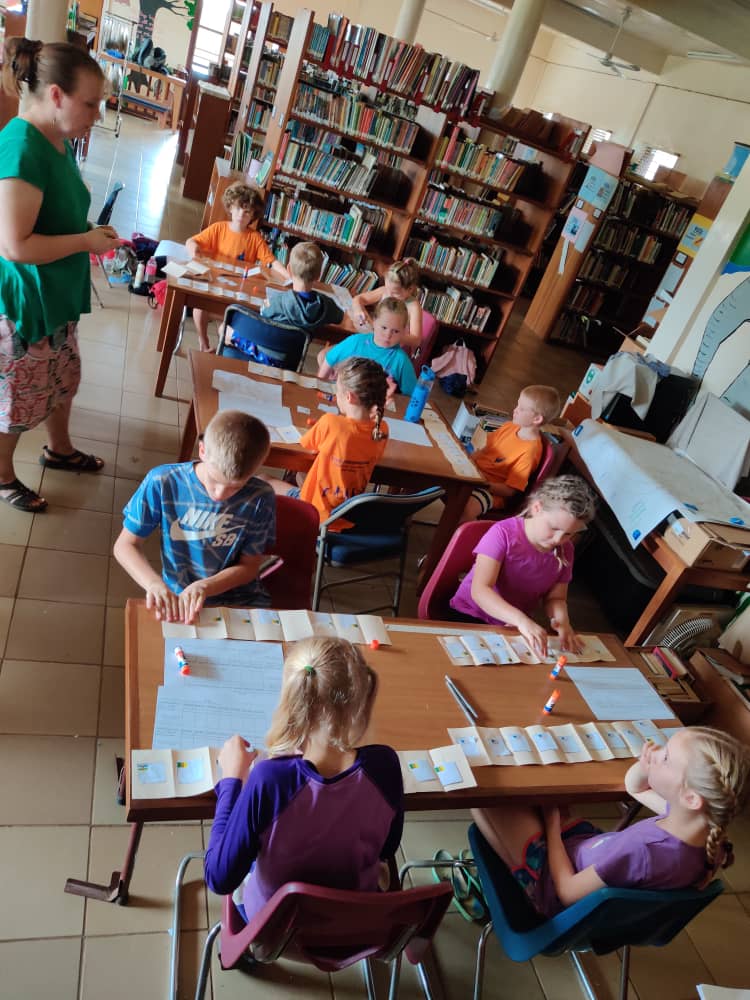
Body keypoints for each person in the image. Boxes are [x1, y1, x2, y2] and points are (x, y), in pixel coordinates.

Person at [0, 38, 121, 513]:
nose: (97, 114)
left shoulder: (59, 138)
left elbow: (55, 211)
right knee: (18, 394)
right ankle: (1, 474)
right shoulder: (22, 146)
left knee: (62, 377)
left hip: (55, 293)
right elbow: (15, 246)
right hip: (26, 302)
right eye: (90, 103)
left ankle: (59, 450)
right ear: (55, 95)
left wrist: (88, 231)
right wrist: (85, 242)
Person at [204, 636, 404, 921]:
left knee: (247, 858)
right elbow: (388, 847)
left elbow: (218, 877)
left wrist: (231, 781)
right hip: (354, 924)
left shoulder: (270, 780)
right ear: (362, 700)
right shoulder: (384, 765)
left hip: (277, 929)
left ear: (292, 701)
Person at [472, 726, 750, 919]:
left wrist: (552, 828)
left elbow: (567, 892)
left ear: (690, 797)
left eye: (666, 757)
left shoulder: (642, 851)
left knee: (481, 793)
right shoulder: (703, 831)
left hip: (553, 886)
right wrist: (649, 765)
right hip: (583, 850)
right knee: (530, 792)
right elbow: (635, 787)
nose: (656, 751)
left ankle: (512, 884)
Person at [113, 410, 275, 623]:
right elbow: (125, 545)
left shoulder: (261, 497)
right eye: (214, 481)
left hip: (238, 598)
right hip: (179, 597)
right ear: (202, 450)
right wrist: (153, 584)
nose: (219, 495)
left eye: (235, 487)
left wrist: (206, 586)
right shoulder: (162, 481)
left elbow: (249, 566)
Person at [450, 475, 597, 656]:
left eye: (568, 534)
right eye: (554, 528)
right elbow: (480, 590)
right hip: (470, 615)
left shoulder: (565, 549)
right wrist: (521, 620)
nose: (558, 539)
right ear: (536, 508)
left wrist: (562, 621)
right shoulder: (502, 533)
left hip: (512, 626)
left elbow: (556, 598)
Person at [264, 357, 388, 529]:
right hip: (347, 514)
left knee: (262, 479)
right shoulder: (382, 428)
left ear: (349, 397)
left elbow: (306, 444)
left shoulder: (331, 422)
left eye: (337, 391)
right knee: (300, 476)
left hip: (316, 513)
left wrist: (322, 428)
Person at [186, 182, 289, 351]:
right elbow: (191, 241)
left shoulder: (255, 238)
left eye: (247, 211)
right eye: (239, 208)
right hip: (215, 283)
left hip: (238, 289)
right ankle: (203, 343)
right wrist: (194, 250)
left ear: (253, 216)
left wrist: (288, 277)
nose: (242, 214)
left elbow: (271, 261)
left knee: (238, 318)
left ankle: (224, 344)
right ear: (231, 207)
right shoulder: (218, 228)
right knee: (199, 306)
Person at [223, 240, 344, 360]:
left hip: (260, 354)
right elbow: (339, 316)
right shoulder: (326, 306)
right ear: (319, 275)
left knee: (223, 329)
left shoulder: (277, 301)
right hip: (288, 362)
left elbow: (263, 314)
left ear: (289, 270)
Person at [460, 385, 561, 523]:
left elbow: (509, 491)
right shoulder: (509, 426)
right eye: (518, 405)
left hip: (489, 491)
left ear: (537, 419)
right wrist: (465, 462)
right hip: (472, 476)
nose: (515, 410)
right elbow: (485, 450)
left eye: (521, 409)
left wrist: (481, 483)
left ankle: (463, 535)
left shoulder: (530, 452)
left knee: (466, 510)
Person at [318, 297, 417, 396]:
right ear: (374, 321)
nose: (388, 335)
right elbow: (329, 359)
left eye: (395, 331)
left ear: (404, 331)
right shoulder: (356, 341)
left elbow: (412, 396)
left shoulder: (401, 361)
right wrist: (319, 387)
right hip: (346, 397)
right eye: (384, 327)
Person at [351, 258, 423, 353]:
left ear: (410, 289)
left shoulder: (413, 306)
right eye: (387, 288)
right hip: (373, 339)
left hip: (391, 349)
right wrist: (358, 310)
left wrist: (392, 334)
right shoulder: (385, 291)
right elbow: (358, 299)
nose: (389, 294)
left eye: (395, 293)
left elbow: (416, 340)